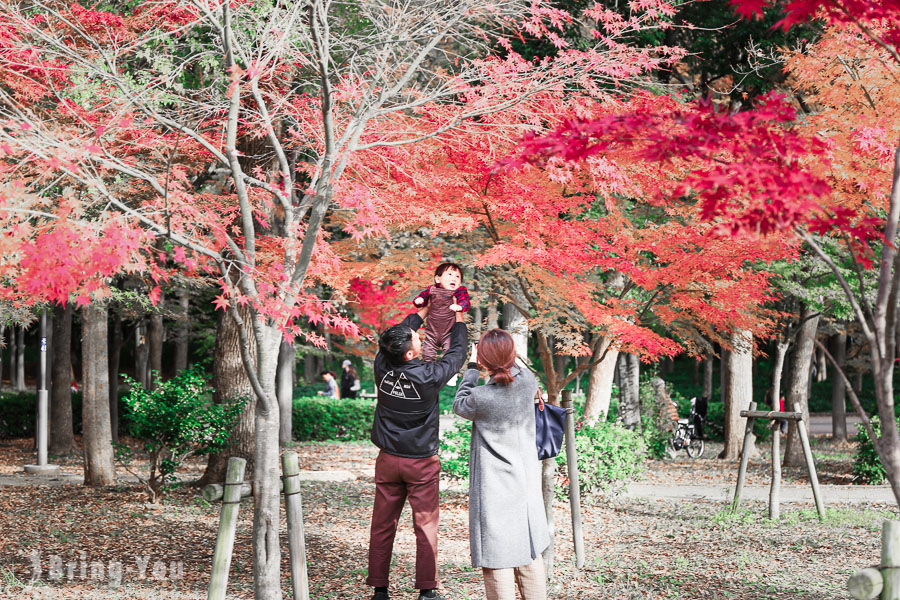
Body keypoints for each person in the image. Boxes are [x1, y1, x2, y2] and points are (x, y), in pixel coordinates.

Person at [366, 303, 467, 600]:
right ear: (409, 354)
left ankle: (379, 590)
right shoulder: (429, 375)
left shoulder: (382, 364)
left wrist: (421, 312)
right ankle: (427, 591)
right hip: (420, 462)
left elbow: (393, 338)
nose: (419, 339)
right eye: (417, 340)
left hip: (387, 460)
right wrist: (458, 317)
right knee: (425, 526)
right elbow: (457, 354)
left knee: (382, 525)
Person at [452, 329, 549, 600]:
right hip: (526, 482)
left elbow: (459, 404)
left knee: (498, 559)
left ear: (485, 361)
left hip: (495, 487)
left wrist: (472, 365)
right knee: (529, 553)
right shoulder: (528, 381)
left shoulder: (481, 398)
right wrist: (497, 353)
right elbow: (513, 367)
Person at [413, 263, 471, 362]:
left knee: (450, 353)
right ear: (438, 279)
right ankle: (429, 370)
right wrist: (419, 300)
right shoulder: (431, 290)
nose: (454, 278)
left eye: (457, 276)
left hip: (448, 332)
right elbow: (422, 298)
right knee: (427, 354)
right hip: (432, 332)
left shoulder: (459, 292)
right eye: (450, 274)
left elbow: (466, 302)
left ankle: (451, 375)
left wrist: (459, 306)